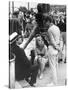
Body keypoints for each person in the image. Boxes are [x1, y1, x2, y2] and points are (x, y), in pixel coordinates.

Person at [44, 16, 62, 86]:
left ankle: (54, 82)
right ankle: (55, 80)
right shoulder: (57, 27)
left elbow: (52, 41)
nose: (45, 24)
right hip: (57, 48)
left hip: (52, 48)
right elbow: (59, 38)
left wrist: (47, 40)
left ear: (48, 21)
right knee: (56, 65)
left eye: (45, 22)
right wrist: (59, 48)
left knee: (53, 66)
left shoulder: (49, 29)